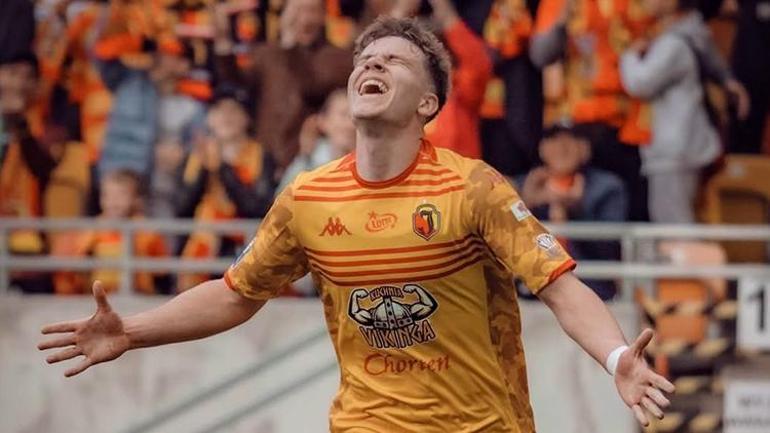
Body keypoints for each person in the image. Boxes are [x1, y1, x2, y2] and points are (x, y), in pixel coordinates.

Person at [38, 17, 674, 432]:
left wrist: (617, 356)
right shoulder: (307, 197)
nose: (372, 66)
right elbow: (236, 295)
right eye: (365, 60)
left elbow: (560, 286)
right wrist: (133, 330)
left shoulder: (471, 187)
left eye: (394, 61)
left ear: (428, 103)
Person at [213, 0, 353, 170]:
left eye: (311, 10)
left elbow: (311, 89)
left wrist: (291, 48)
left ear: (323, 16)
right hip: (264, 154)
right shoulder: (266, 53)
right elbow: (236, 85)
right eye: (296, 11)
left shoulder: (337, 59)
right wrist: (223, 41)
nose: (304, 18)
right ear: (285, 15)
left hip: (309, 157)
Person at [620, 0, 722, 223]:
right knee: (671, 221)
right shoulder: (688, 33)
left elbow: (640, 83)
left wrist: (629, 56)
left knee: (673, 223)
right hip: (679, 145)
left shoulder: (674, 43)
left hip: (674, 149)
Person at [175, 84, 275, 289]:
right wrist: (205, 170)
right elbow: (181, 208)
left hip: (244, 245)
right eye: (219, 110)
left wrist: (222, 168)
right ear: (210, 118)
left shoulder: (260, 156)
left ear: (247, 118)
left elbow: (258, 208)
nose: (226, 117)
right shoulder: (196, 155)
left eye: (234, 110)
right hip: (203, 243)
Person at [517, 122, 627, 299]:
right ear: (541, 148)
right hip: (533, 292)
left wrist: (574, 211)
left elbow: (610, 247)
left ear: (585, 148)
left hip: (590, 288)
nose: (562, 148)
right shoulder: (526, 185)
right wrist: (526, 205)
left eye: (571, 139)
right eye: (553, 139)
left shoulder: (607, 187)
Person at [53, 169, 170, 295]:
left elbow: (162, 269)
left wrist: (140, 259)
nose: (113, 202)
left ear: (135, 199)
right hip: (95, 297)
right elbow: (70, 271)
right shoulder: (88, 233)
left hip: (137, 297)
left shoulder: (147, 232)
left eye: (121, 195)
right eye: (107, 195)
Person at [277, 88, 355, 194]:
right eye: (343, 115)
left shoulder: (367, 164)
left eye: (354, 117)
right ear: (323, 121)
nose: (350, 124)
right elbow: (282, 198)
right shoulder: (307, 163)